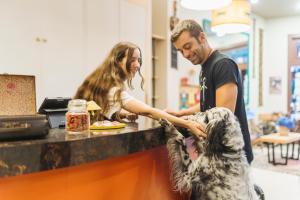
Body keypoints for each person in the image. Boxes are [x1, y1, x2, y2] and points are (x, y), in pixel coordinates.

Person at [167, 19, 253, 164]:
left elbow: (222, 117)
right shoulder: (204, 68)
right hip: (218, 152)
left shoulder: (223, 65)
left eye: (188, 46)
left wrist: (189, 122)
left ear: (202, 37)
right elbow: (207, 104)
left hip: (234, 155)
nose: (186, 54)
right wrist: (180, 114)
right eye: (181, 51)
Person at [74, 41, 205, 137]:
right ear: (118, 61)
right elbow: (148, 112)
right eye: (132, 60)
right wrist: (188, 124)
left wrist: (121, 114)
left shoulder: (104, 81)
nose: (137, 65)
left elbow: (99, 111)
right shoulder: (113, 89)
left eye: (139, 60)